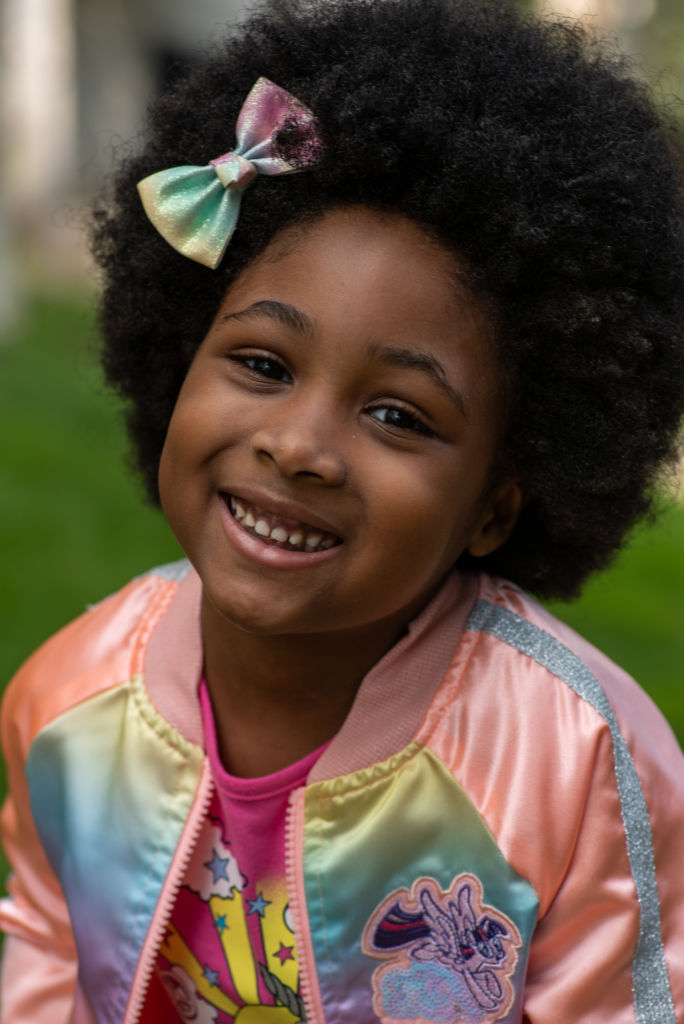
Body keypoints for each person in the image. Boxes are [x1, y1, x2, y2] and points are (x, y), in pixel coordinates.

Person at [2, 0, 684, 1020]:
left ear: (498, 503)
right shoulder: (71, 703)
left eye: (398, 414)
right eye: (264, 364)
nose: (299, 445)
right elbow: (48, 957)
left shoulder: (575, 764)